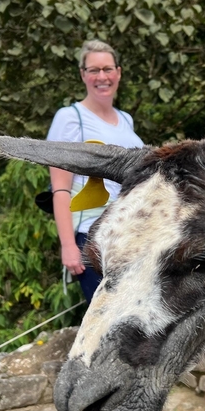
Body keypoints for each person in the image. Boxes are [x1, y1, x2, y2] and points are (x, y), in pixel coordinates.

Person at [47, 39, 144, 304]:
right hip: (92, 237)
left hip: (130, 233)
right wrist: (68, 246)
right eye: (93, 70)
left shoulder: (126, 120)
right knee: (110, 314)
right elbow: (61, 188)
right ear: (83, 75)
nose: (102, 77)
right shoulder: (70, 118)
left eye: (107, 69)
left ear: (118, 72)